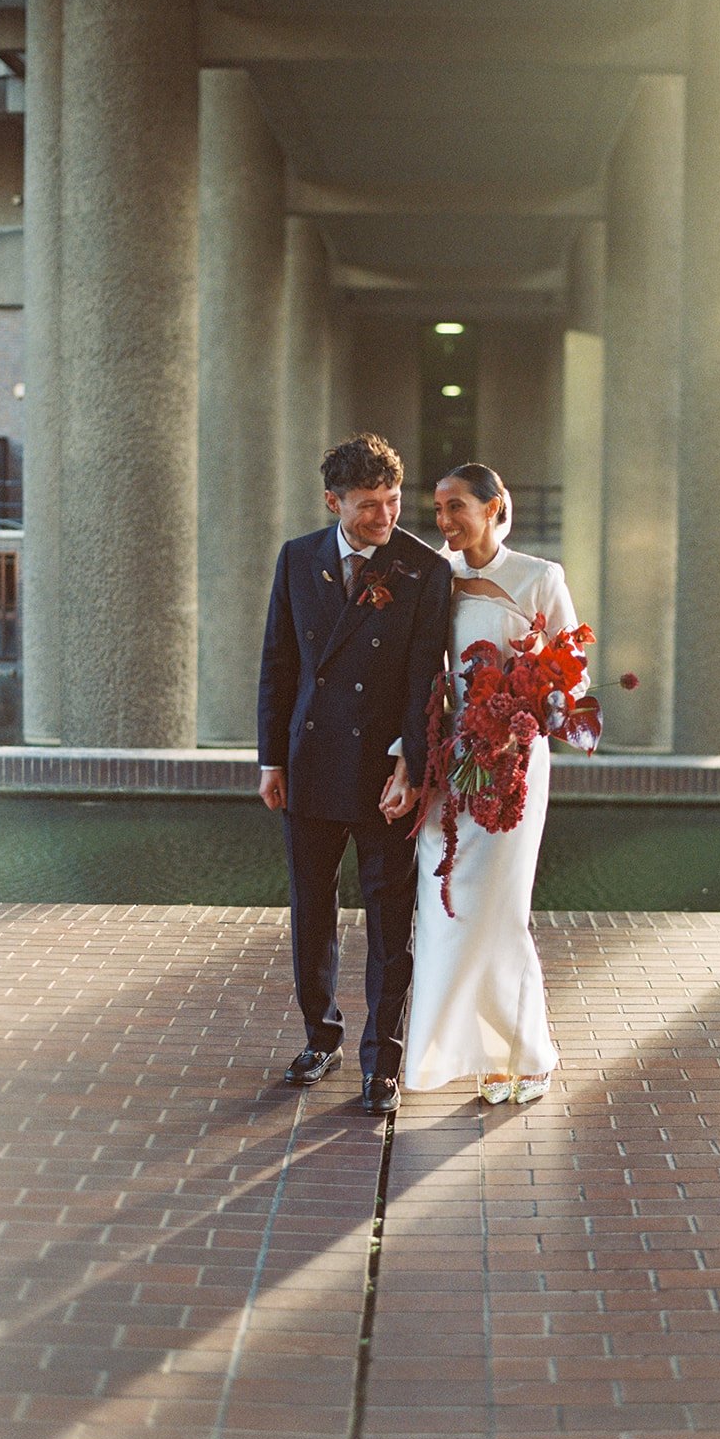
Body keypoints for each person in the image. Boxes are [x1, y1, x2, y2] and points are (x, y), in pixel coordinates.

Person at [257, 433, 451, 1115]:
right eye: (368, 504)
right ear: (332, 501)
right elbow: (279, 663)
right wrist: (271, 759)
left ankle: (383, 1063)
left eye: (392, 500)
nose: (384, 516)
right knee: (312, 912)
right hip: (309, 764)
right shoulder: (297, 558)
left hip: (383, 773)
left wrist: (410, 766)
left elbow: (427, 680)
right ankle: (322, 1038)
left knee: (390, 921)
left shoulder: (423, 569)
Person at [402, 463, 577, 1106]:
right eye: (438, 508)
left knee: (500, 914)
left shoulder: (540, 576)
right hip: (453, 762)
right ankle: (481, 1056)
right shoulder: (436, 578)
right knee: (445, 908)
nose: (444, 520)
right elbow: (422, 675)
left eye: (456, 506)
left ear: (494, 506)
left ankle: (525, 1054)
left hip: (514, 765)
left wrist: (527, 713)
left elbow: (573, 674)